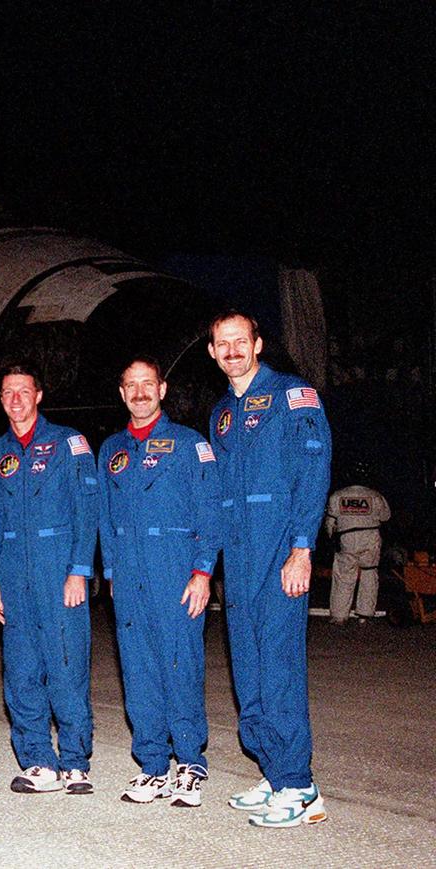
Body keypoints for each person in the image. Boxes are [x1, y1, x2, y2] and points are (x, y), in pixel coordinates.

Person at [207, 310, 331, 827]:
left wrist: (301, 549)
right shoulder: (220, 414)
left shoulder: (292, 394)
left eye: (241, 340)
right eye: (223, 343)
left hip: (279, 551)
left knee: (279, 669)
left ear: (257, 343)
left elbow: (314, 469)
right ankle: (274, 772)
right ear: (212, 353)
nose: (233, 350)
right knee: (249, 670)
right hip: (239, 559)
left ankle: (300, 787)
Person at [97, 357, 222, 807]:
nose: (140, 392)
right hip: (129, 577)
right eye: (131, 385)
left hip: (176, 572)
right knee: (139, 671)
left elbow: (211, 512)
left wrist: (203, 571)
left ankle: (189, 761)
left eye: (147, 384)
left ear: (162, 389)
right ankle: (152, 765)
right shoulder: (110, 449)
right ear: (122, 393)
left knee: (179, 666)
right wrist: (110, 573)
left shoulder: (190, 444)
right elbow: (105, 520)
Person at [0, 363, 98, 795]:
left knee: (66, 667)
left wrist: (79, 571)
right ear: (1, 400)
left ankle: (74, 761)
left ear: (39, 395)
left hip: (58, 572)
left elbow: (87, 510)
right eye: (8, 392)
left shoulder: (69, 442)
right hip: (12, 576)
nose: (16, 399)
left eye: (23, 391)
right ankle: (37, 760)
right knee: (22, 672)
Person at [324, 479, 390, 624]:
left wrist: (331, 538)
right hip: (370, 538)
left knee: (343, 575)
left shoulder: (337, 496)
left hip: (346, 538)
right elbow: (386, 517)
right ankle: (365, 615)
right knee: (369, 574)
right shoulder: (375, 495)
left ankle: (339, 616)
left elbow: (330, 522)